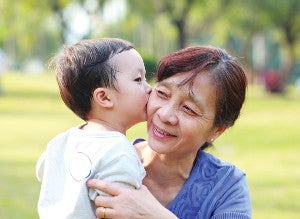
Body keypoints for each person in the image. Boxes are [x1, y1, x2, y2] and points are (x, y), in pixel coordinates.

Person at [87, 45, 252, 219]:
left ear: (217, 130)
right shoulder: (103, 162)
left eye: (189, 109)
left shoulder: (227, 186)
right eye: (163, 93)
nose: (165, 115)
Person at [36, 38, 152, 218]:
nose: (149, 88)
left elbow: (42, 170)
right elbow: (122, 210)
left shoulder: (61, 141)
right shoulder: (119, 152)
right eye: (138, 79)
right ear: (104, 97)